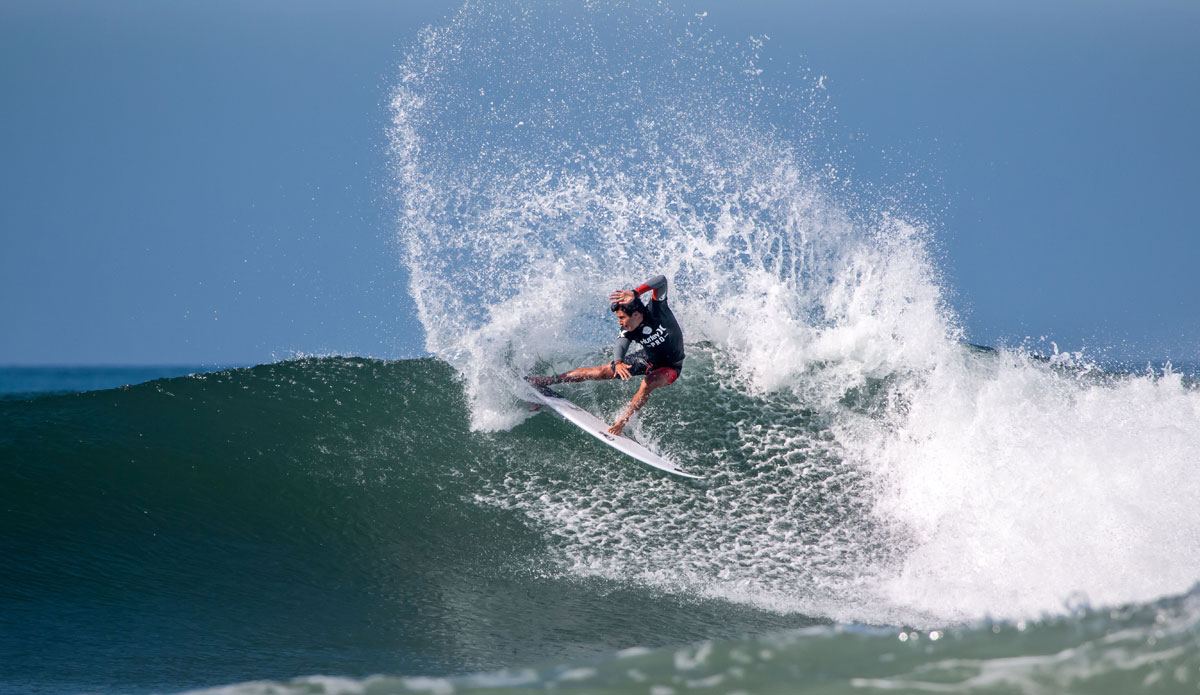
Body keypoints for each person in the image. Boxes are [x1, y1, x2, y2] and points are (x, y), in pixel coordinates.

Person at [528, 274, 684, 436]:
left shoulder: (657, 310)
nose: (620, 322)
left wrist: (636, 292)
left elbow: (662, 281)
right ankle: (548, 380)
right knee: (601, 372)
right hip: (648, 359)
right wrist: (618, 362)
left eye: (622, 317)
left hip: (671, 366)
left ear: (636, 314)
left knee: (648, 382)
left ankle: (622, 423)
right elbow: (621, 345)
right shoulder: (628, 329)